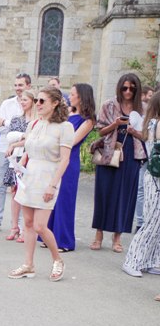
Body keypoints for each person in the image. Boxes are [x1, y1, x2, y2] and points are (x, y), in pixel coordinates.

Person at [8, 87, 74, 281]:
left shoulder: (65, 127)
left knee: (39, 225)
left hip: (48, 177)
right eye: (36, 100)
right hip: (30, 176)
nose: (37, 104)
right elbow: (29, 148)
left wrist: (52, 185)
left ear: (55, 103)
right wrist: (20, 164)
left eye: (42, 101)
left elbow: (65, 160)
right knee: (28, 223)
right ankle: (28, 265)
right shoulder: (34, 124)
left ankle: (58, 260)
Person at [90, 73, 147, 252]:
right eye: (124, 88)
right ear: (119, 88)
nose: (128, 92)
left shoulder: (143, 108)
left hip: (131, 153)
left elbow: (147, 136)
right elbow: (100, 131)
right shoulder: (109, 105)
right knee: (104, 193)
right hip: (109, 152)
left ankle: (117, 237)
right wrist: (115, 124)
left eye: (132, 89)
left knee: (125, 195)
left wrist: (134, 132)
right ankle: (98, 235)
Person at [43, 83, 95, 252]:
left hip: (69, 160)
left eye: (72, 94)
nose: (69, 97)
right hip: (55, 158)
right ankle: (49, 236)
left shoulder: (87, 120)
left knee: (64, 199)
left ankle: (64, 240)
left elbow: (72, 141)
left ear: (81, 97)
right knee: (52, 197)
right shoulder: (67, 113)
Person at [0, 73, 32, 233]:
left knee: (19, 187)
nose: (18, 88)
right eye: (16, 85)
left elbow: (29, 128)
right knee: (0, 186)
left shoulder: (32, 104)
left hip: (22, 152)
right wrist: (15, 128)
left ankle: (18, 224)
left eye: (21, 85)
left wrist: (7, 122)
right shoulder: (7, 104)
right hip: (3, 149)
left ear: (28, 86)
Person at [122, 91, 160, 278]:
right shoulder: (157, 123)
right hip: (155, 179)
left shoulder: (152, 123)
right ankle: (133, 261)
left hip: (154, 178)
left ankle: (151, 261)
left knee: (157, 223)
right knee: (151, 222)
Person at [1, 89, 38, 242]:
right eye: (21, 100)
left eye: (25, 100)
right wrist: (20, 138)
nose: (22, 102)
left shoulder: (38, 121)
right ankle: (14, 226)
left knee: (26, 192)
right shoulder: (17, 119)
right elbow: (10, 136)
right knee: (14, 191)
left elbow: (33, 139)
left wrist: (17, 142)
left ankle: (25, 228)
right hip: (15, 157)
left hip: (29, 156)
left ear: (33, 101)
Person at [136, 85, 156, 231]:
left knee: (142, 190)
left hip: (148, 161)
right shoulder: (154, 123)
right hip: (151, 162)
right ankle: (142, 222)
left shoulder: (149, 122)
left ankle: (142, 222)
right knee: (143, 190)